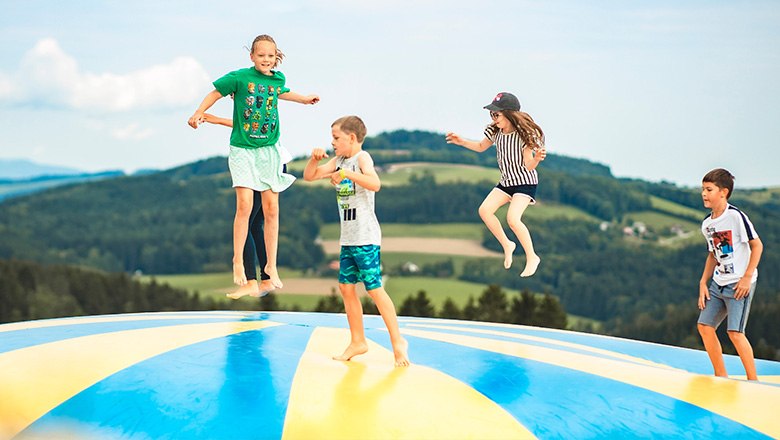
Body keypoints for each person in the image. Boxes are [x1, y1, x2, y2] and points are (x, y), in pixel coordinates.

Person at [188, 34, 319, 293]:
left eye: (271, 56)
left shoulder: (276, 80)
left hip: (269, 152)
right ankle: (238, 262)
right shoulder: (239, 78)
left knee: (271, 211)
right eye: (261, 56)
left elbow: (283, 92)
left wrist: (304, 99)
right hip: (244, 151)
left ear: (276, 57)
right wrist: (199, 112)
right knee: (246, 207)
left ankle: (270, 267)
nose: (266, 60)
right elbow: (215, 92)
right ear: (252, 57)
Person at [303, 115, 410, 367]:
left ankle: (398, 342)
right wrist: (314, 159)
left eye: (336, 138)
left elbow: (375, 184)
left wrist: (347, 175)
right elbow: (310, 176)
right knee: (346, 288)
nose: (332, 142)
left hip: (365, 236)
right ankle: (358, 341)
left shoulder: (361, 158)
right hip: (348, 238)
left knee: (373, 289)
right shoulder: (338, 160)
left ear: (352, 138)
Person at [446, 92, 547, 277]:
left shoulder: (524, 135)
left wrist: (537, 159)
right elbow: (480, 147)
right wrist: (461, 142)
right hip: (507, 182)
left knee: (513, 219)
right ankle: (507, 244)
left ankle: (532, 256)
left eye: (497, 114)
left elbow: (528, 165)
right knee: (484, 211)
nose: (493, 118)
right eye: (492, 114)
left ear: (510, 114)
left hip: (525, 183)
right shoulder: (495, 131)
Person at [200, 113, 285, 299]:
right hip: (271, 162)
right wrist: (218, 120)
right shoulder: (254, 99)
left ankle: (250, 281)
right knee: (255, 224)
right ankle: (265, 279)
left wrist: (218, 119)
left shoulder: (253, 96)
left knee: (246, 220)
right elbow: (250, 125)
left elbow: (252, 125)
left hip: (263, 163)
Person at [697, 168, 763, 380]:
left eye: (709, 189)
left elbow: (757, 246)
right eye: (703, 189)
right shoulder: (707, 224)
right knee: (705, 326)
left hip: (739, 284)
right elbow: (713, 255)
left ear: (723, 192)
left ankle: (753, 380)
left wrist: (746, 277)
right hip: (718, 283)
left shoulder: (735, 217)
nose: (704, 194)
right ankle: (721, 375)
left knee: (735, 333)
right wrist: (703, 282)